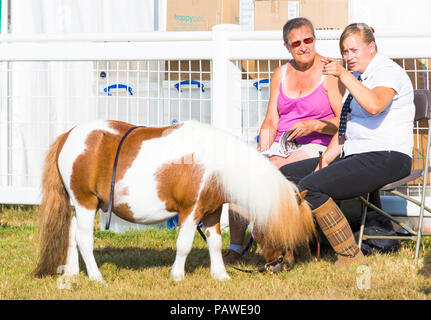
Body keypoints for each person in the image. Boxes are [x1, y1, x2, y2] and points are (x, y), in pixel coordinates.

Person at [279, 22, 415, 266]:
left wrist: (342, 75)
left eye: (354, 50)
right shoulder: (356, 78)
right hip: (357, 153)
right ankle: (298, 249)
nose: (349, 57)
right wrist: (325, 160)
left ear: (371, 47)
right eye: (345, 52)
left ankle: (349, 255)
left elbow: (374, 106)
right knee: (285, 175)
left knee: (312, 186)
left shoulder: (387, 71)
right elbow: (344, 129)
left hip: (388, 155)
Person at [223, 17, 344, 264]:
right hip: (281, 144)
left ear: (314, 39)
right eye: (296, 43)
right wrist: (263, 148)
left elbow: (343, 121)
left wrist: (314, 124)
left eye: (308, 40)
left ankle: (273, 239)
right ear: (287, 47)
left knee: (279, 172)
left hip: (317, 145)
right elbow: (271, 119)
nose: (303, 46)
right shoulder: (281, 73)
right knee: (243, 176)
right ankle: (236, 246)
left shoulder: (329, 72)